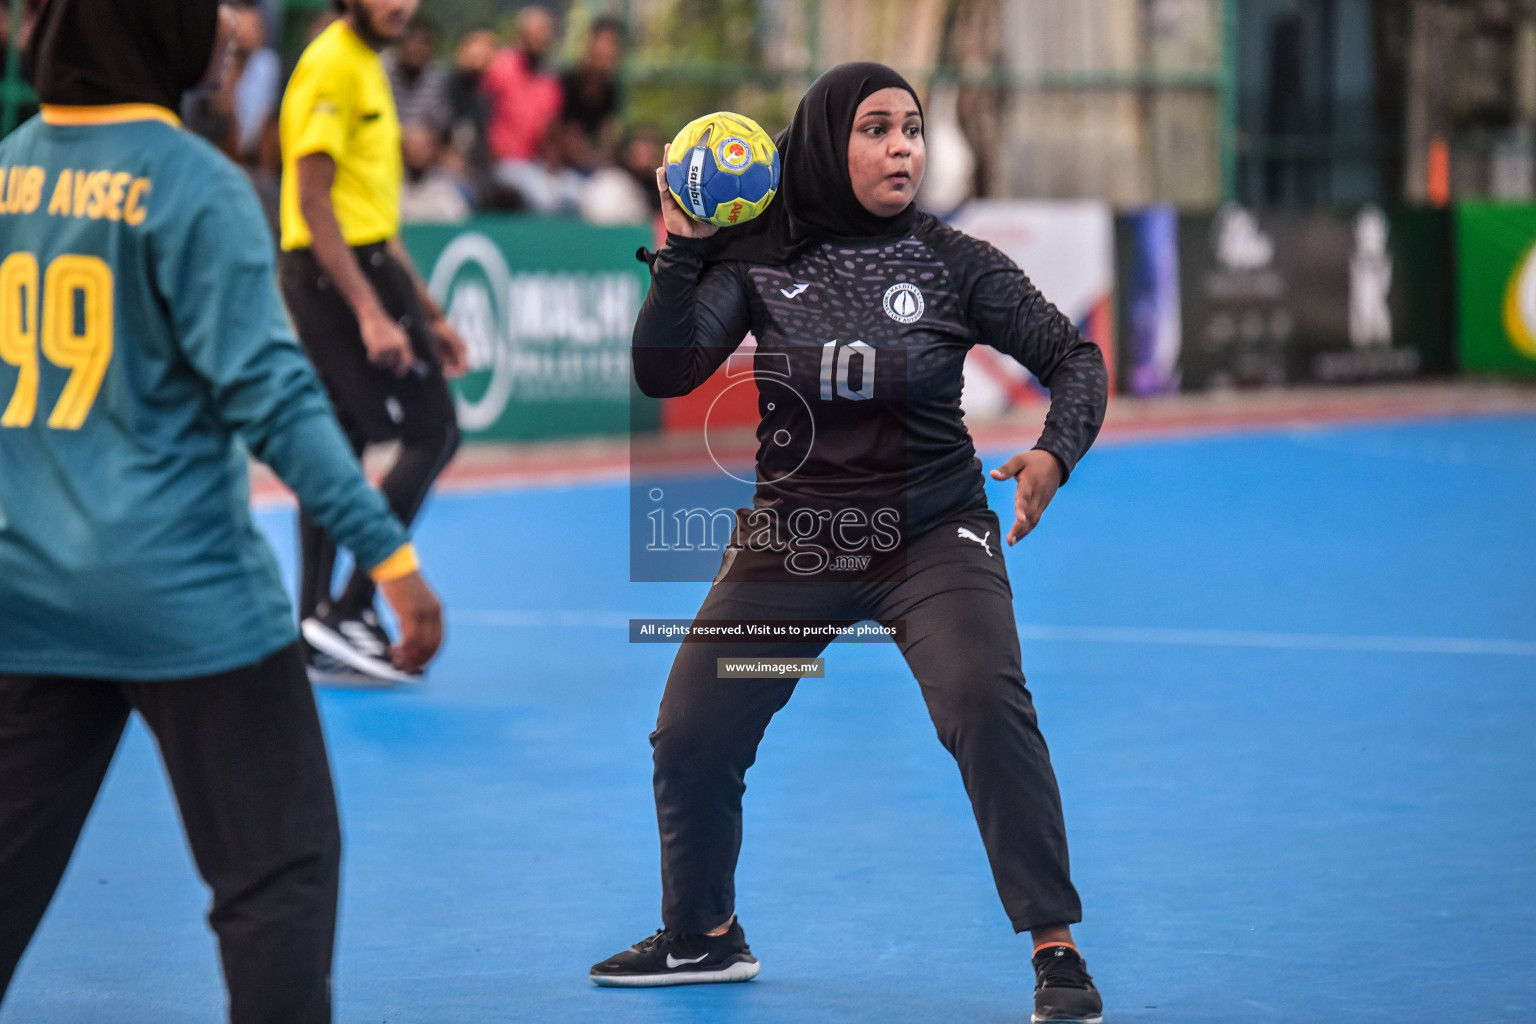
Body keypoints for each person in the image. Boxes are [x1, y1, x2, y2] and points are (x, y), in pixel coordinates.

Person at [589, 63, 1107, 1024]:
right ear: (828, 143)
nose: (903, 146)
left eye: (911, 128)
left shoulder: (955, 262)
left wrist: (1053, 453)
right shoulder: (757, 257)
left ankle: (1057, 948)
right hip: (797, 537)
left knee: (984, 705)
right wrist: (684, 247)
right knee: (692, 734)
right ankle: (703, 936)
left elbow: (1074, 355)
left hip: (931, 532)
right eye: (876, 129)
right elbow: (665, 369)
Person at [0, 1, 445, 1020]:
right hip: (188, 600)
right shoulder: (193, 182)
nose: (232, 29)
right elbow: (275, 396)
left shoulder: (9, 167)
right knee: (278, 872)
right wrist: (390, 557)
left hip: (28, 599)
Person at [278, 0, 468, 683]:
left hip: (363, 267)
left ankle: (316, 619)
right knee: (434, 432)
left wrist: (427, 309)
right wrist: (369, 310)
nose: (403, 5)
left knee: (341, 444)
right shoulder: (331, 64)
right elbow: (312, 199)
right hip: (337, 276)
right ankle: (356, 601)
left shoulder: (368, 64)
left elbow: (375, 214)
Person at [480, 5, 576, 212]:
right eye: (536, 32)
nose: (542, 38)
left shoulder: (551, 83)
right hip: (504, 165)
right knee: (541, 198)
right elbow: (479, 111)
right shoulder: (500, 67)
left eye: (545, 32)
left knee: (575, 194)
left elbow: (549, 133)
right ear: (521, 35)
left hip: (537, 167)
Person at [556, 16, 624, 172]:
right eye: (604, 42)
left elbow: (608, 135)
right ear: (591, 43)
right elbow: (563, 135)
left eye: (614, 44)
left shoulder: (610, 89)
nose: (609, 49)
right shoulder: (568, 82)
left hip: (592, 166)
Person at [384, 16, 449, 138]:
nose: (418, 48)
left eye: (425, 42)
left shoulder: (435, 79)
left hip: (419, 149)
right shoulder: (382, 69)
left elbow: (441, 125)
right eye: (413, 40)